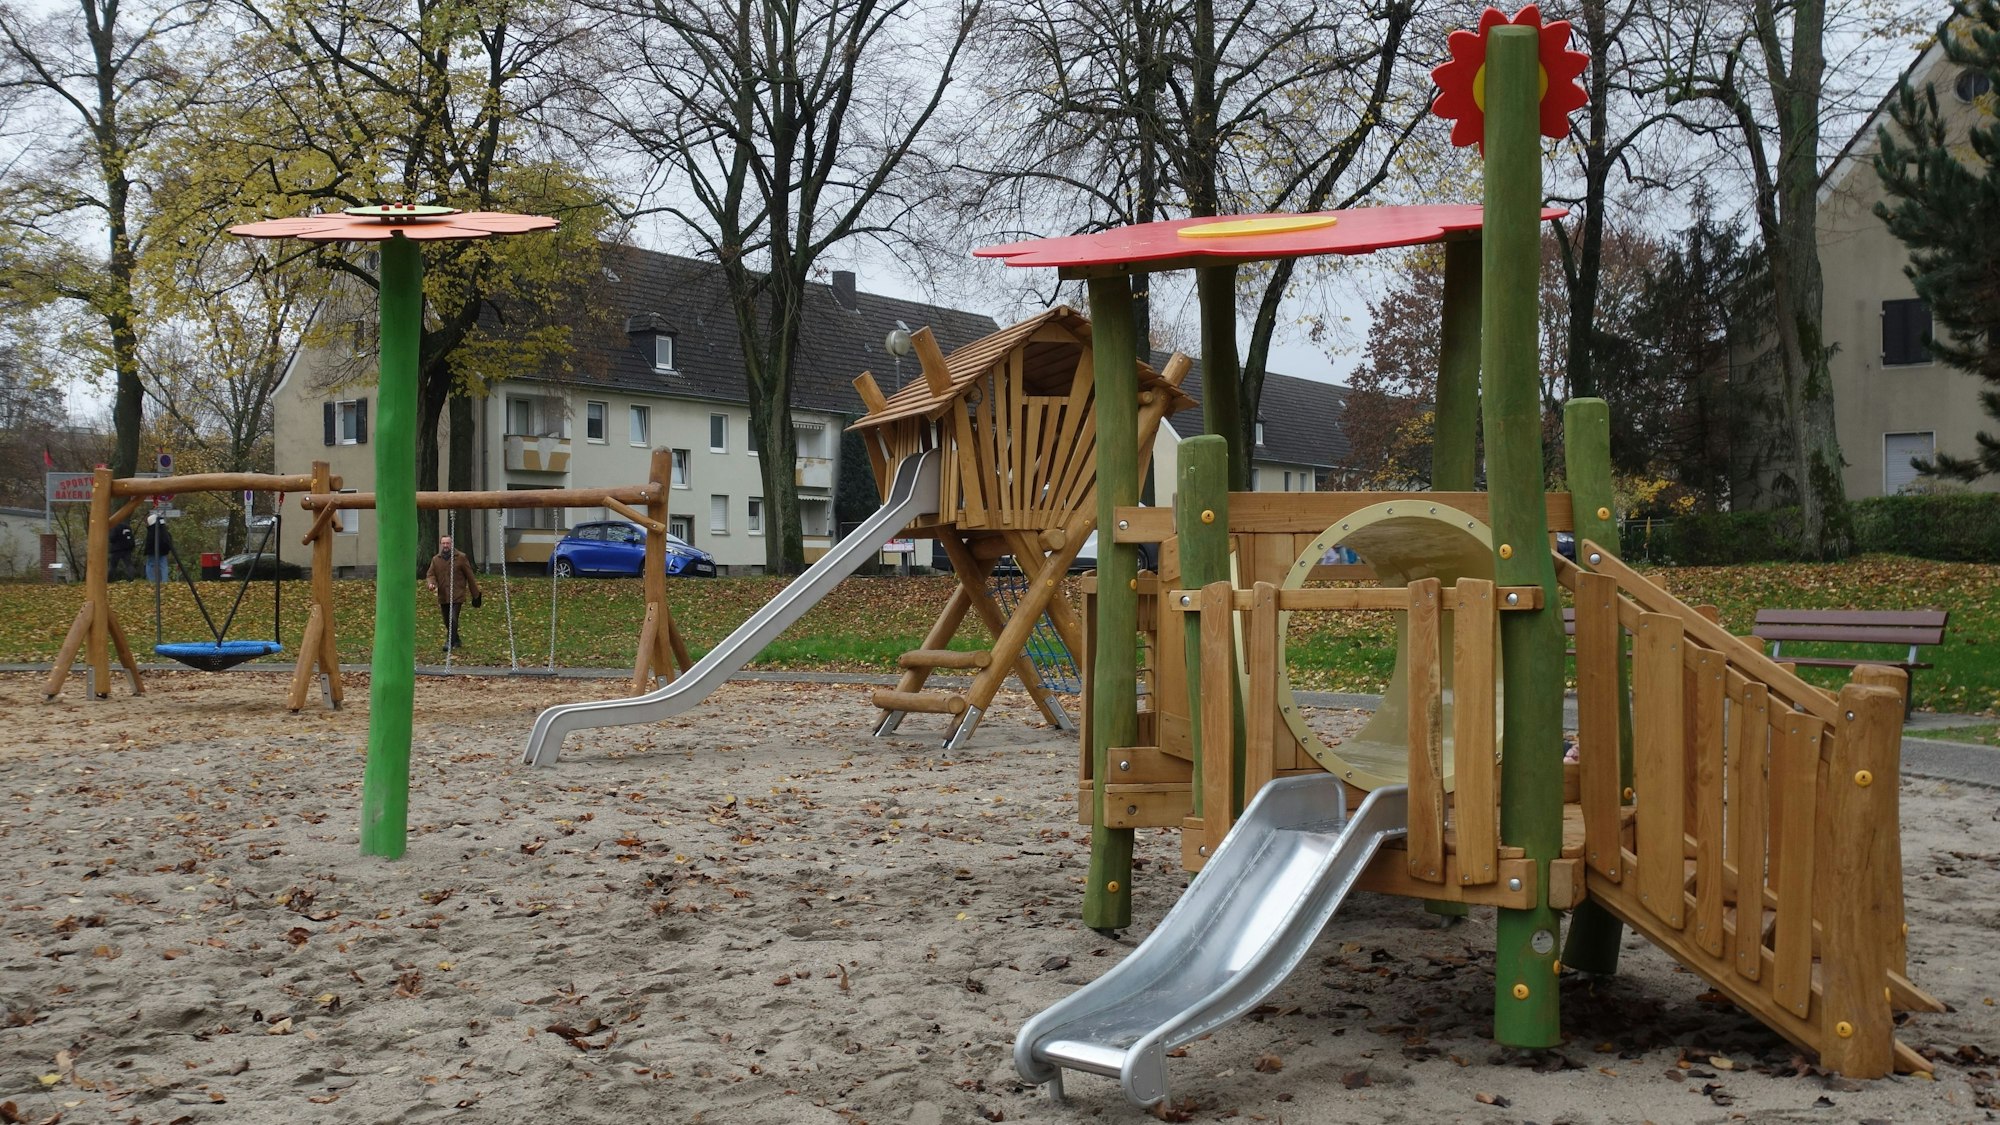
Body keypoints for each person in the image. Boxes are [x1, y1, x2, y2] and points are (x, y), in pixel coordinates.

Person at [425, 535, 482, 652]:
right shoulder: (436, 559)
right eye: (444, 543)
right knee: (446, 620)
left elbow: (470, 576)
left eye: (448, 543)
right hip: (443, 595)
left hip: (457, 594)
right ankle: (456, 639)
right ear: (441, 544)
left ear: (452, 544)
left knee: (452, 618)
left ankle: (449, 641)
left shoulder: (461, 557)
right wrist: (431, 583)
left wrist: (476, 594)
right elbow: (430, 574)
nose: (446, 546)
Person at [142, 512, 174, 584]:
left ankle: (152, 580)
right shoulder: (163, 529)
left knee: (150, 564)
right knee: (163, 565)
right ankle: (164, 581)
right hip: (163, 549)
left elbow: (150, 541)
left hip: (153, 550)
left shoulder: (152, 530)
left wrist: (147, 550)